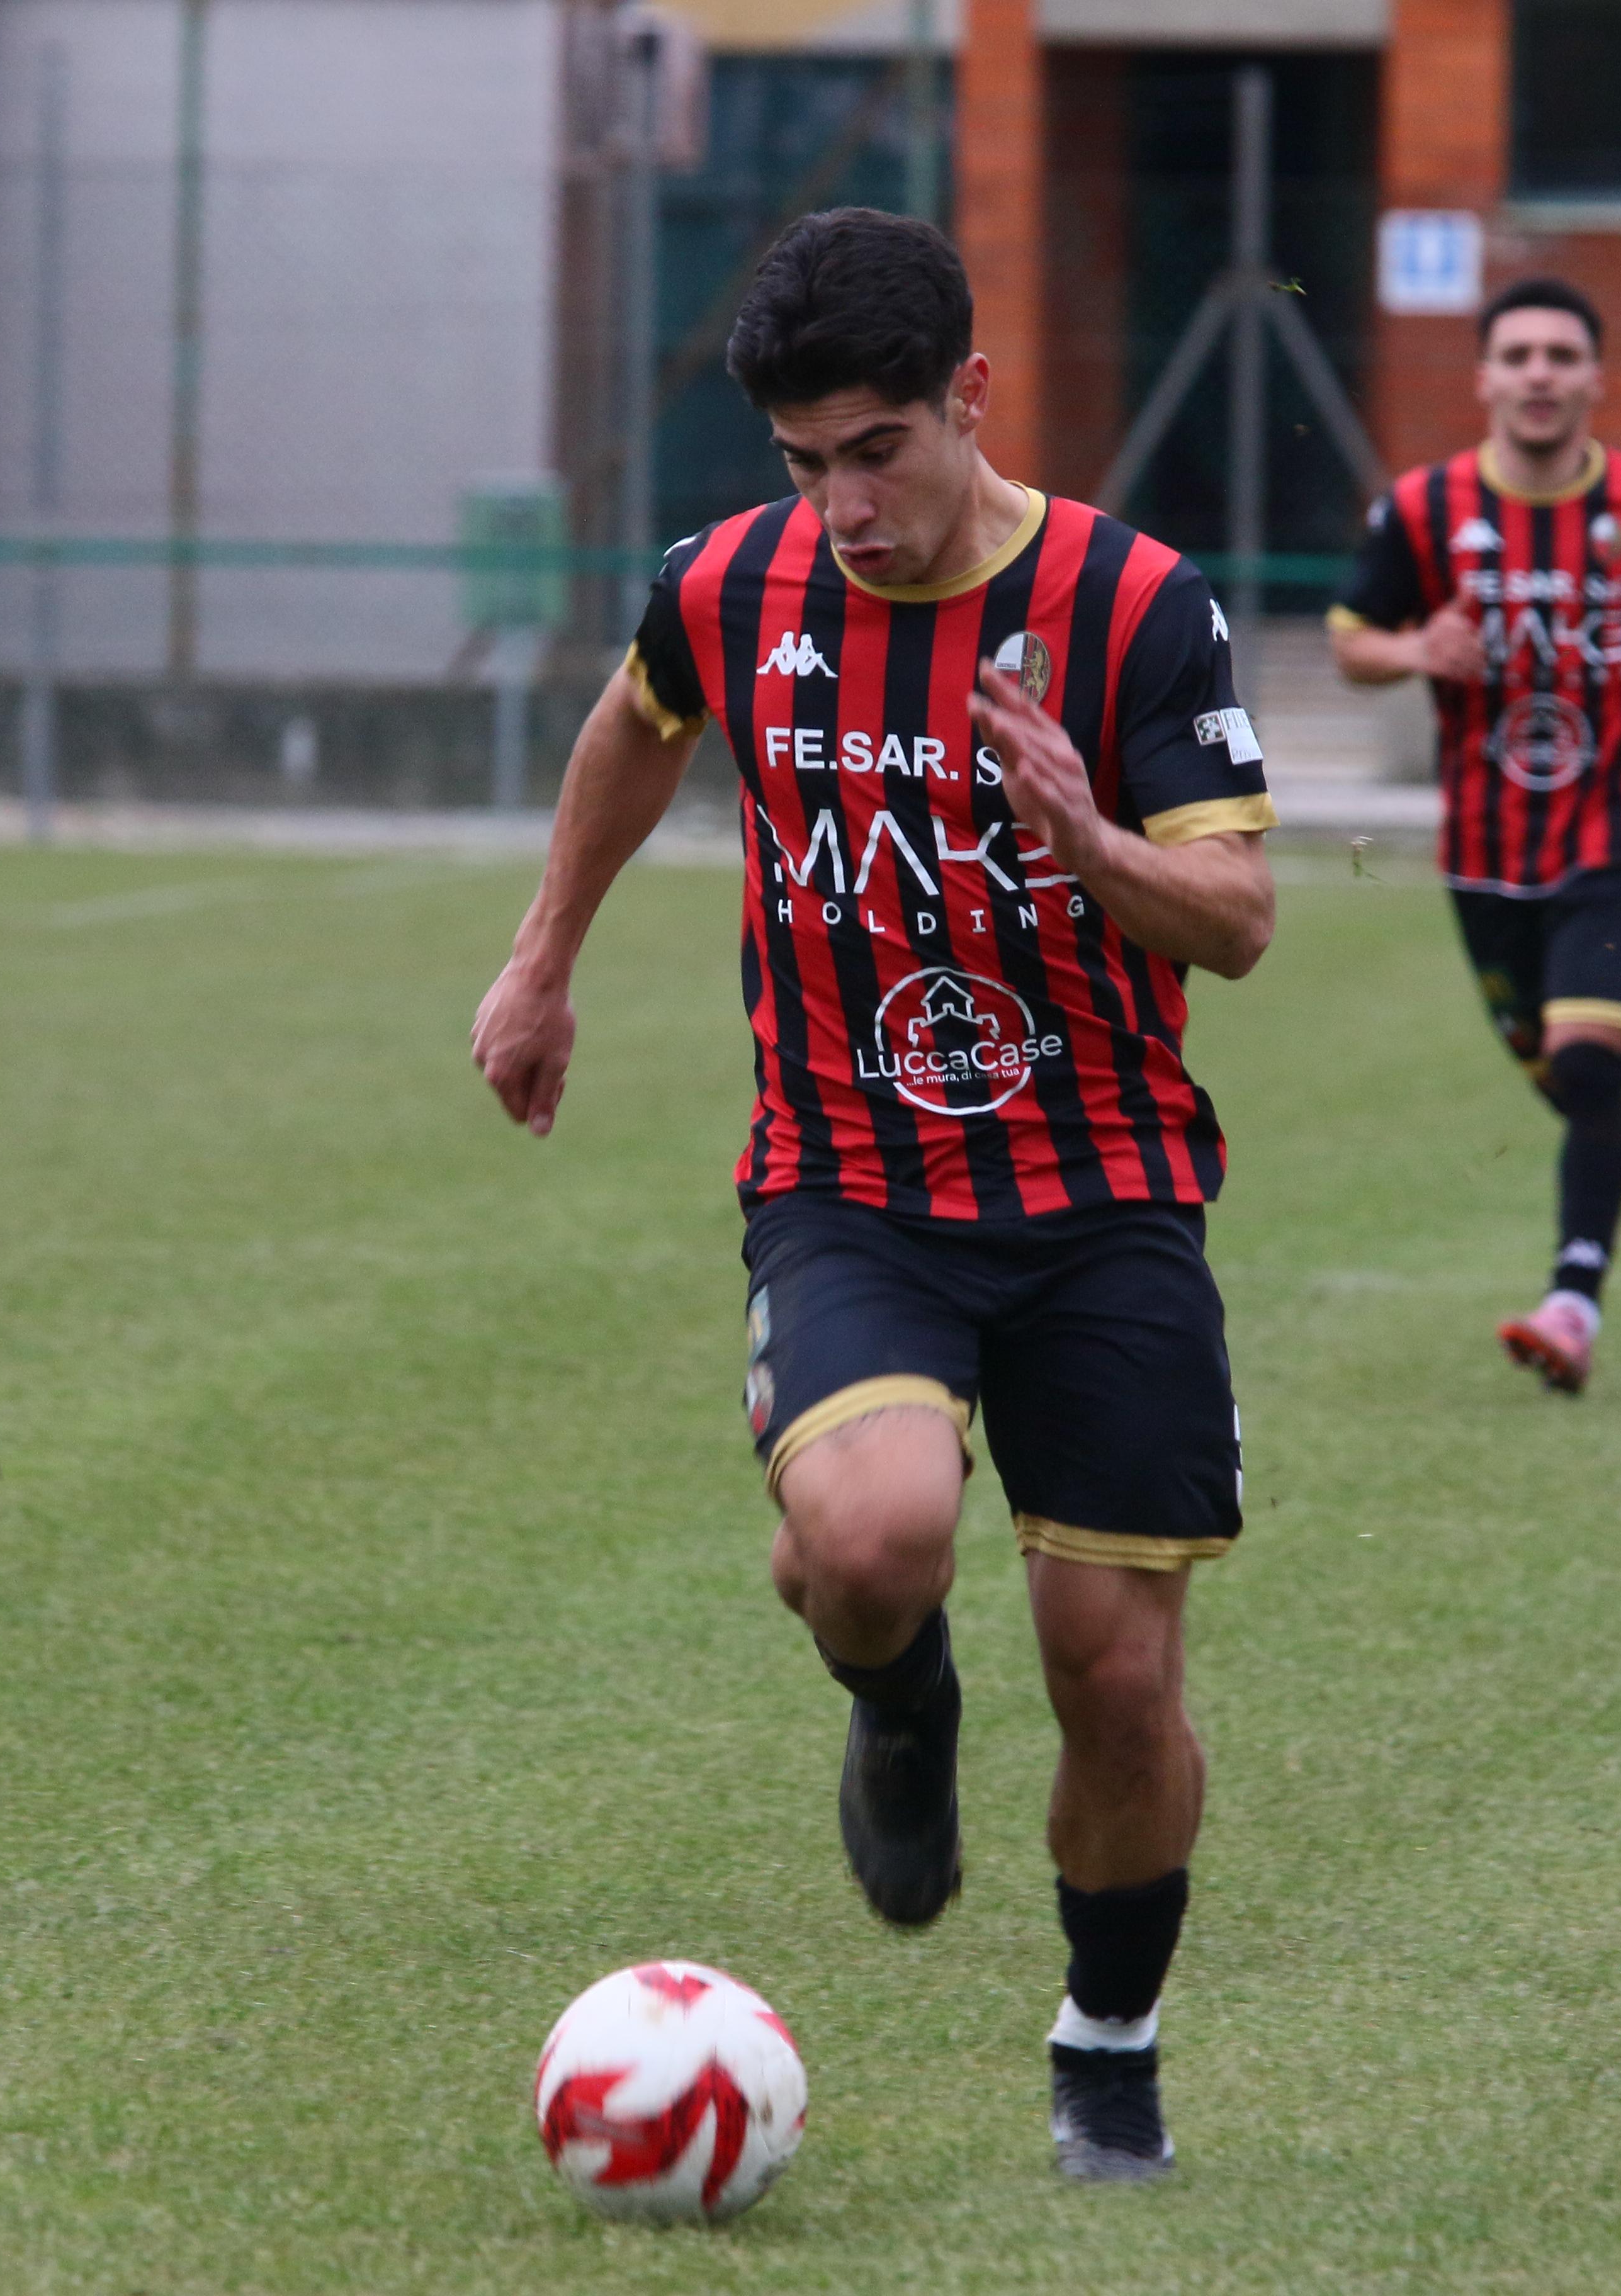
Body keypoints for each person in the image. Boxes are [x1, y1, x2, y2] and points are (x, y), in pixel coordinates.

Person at [472, 209, 1275, 2183]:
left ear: (968, 399)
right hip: (851, 1181)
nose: (844, 508)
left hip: (1105, 1194)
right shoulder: (730, 588)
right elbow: (636, 718)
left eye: (877, 453)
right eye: (805, 462)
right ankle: (899, 1699)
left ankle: (1107, 2052)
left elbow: (1240, 918)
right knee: (872, 1533)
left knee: (1116, 1672)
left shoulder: (1136, 605)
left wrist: (1086, 834)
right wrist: (543, 959)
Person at [1328, 276, 1621, 1395]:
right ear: (1483, 377)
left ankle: (1572, 1305)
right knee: (1573, 1084)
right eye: (1517, 355)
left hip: (1619, 828)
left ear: (1594, 378)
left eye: (1561, 356)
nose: (1539, 374)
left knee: (1582, 1062)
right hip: (1484, 852)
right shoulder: (1423, 509)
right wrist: (1415, 650)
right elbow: (1350, 639)